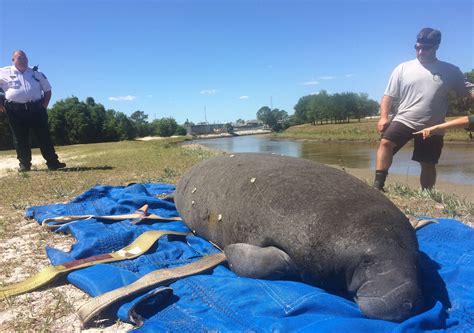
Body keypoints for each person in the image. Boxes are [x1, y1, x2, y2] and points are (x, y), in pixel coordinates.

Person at [373, 28, 474, 191]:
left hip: (433, 125)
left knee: (427, 163)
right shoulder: (402, 68)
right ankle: (378, 186)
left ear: (436, 47)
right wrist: (383, 117)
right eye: (417, 47)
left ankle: (427, 195)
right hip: (404, 119)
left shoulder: (450, 70)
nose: (420, 52)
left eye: (425, 48)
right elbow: (388, 96)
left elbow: (469, 90)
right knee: (386, 143)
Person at [0, 50, 65, 171]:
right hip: (15, 112)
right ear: (13, 60)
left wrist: (44, 105)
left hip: (36, 110)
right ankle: (24, 165)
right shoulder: (3, 72)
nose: (23, 60)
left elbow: (47, 90)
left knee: (44, 137)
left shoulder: (37, 73)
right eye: (19, 58)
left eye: (25, 58)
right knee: (20, 139)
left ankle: (53, 163)